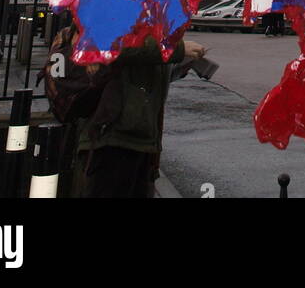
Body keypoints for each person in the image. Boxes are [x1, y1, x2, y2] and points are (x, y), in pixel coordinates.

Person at [74, 35, 206, 198]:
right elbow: (115, 43)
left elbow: (144, 66)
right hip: (113, 133)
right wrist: (177, 48)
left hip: (138, 133)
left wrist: (179, 65)